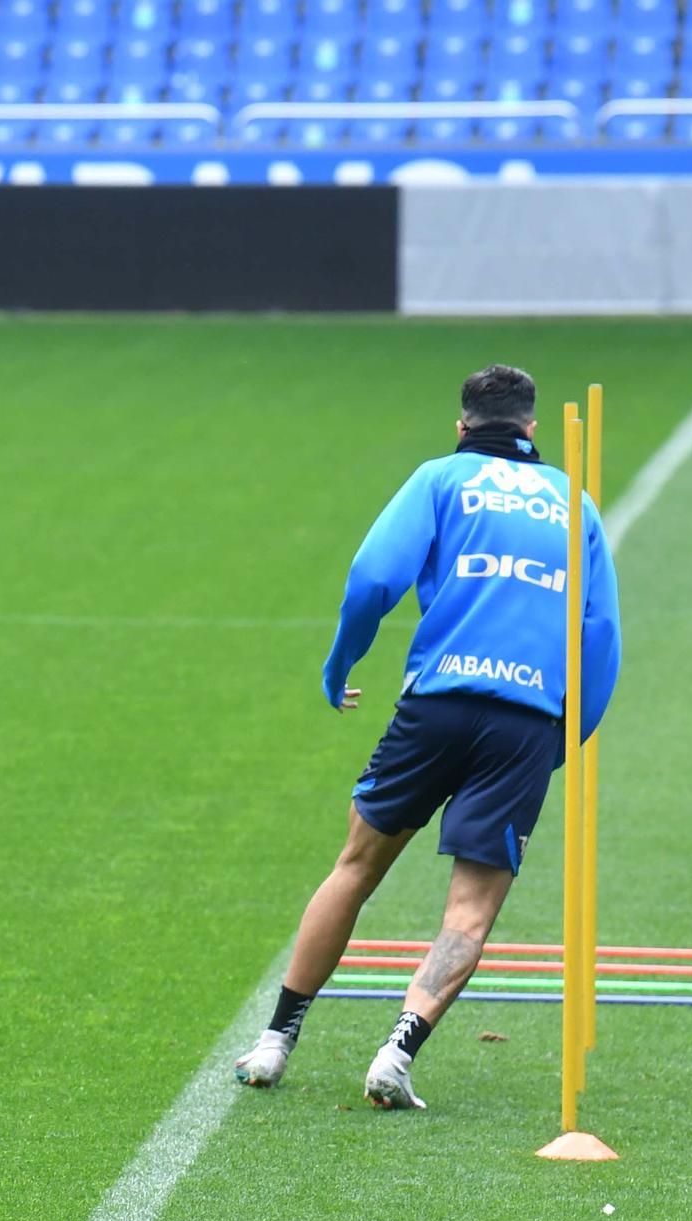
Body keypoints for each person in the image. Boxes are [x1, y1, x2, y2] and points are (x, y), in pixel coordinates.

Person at [233, 364, 622, 1110]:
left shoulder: (441, 479)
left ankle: (276, 1040)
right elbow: (600, 637)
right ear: (533, 429)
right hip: (524, 719)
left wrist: (343, 657)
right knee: (470, 910)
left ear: (463, 426)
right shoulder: (575, 503)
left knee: (355, 867)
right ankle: (398, 1050)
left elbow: (375, 577)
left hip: (437, 703)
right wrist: (563, 738)